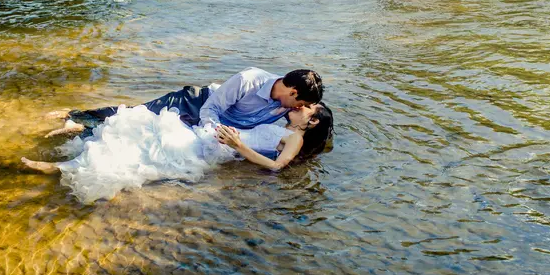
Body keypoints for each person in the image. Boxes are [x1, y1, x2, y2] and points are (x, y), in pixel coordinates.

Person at [21, 103, 334, 203]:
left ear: (313, 121)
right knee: (140, 135)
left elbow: (277, 166)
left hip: (215, 150)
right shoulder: (279, 120)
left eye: (306, 108)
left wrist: (240, 146)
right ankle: (73, 154)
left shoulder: (295, 140)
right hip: (208, 138)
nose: (298, 107)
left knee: (145, 156)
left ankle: (65, 168)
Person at [46, 67, 324, 139]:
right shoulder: (248, 80)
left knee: (142, 132)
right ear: (292, 92)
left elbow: (311, 120)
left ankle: (80, 128)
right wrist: (216, 133)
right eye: (301, 103)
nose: (299, 109)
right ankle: (76, 115)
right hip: (195, 103)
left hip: (212, 123)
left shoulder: (286, 108)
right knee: (134, 114)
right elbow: (209, 110)